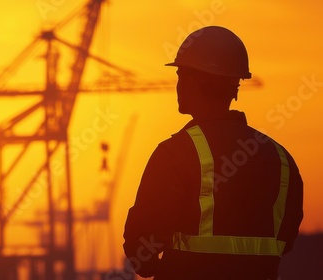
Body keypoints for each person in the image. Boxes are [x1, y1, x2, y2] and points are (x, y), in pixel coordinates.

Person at [123, 26, 303, 280]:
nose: (178, 85)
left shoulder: (175, 154)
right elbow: (286, 241)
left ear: (195, 81)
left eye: (180, 75)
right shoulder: (280, 159)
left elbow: (141, 251)